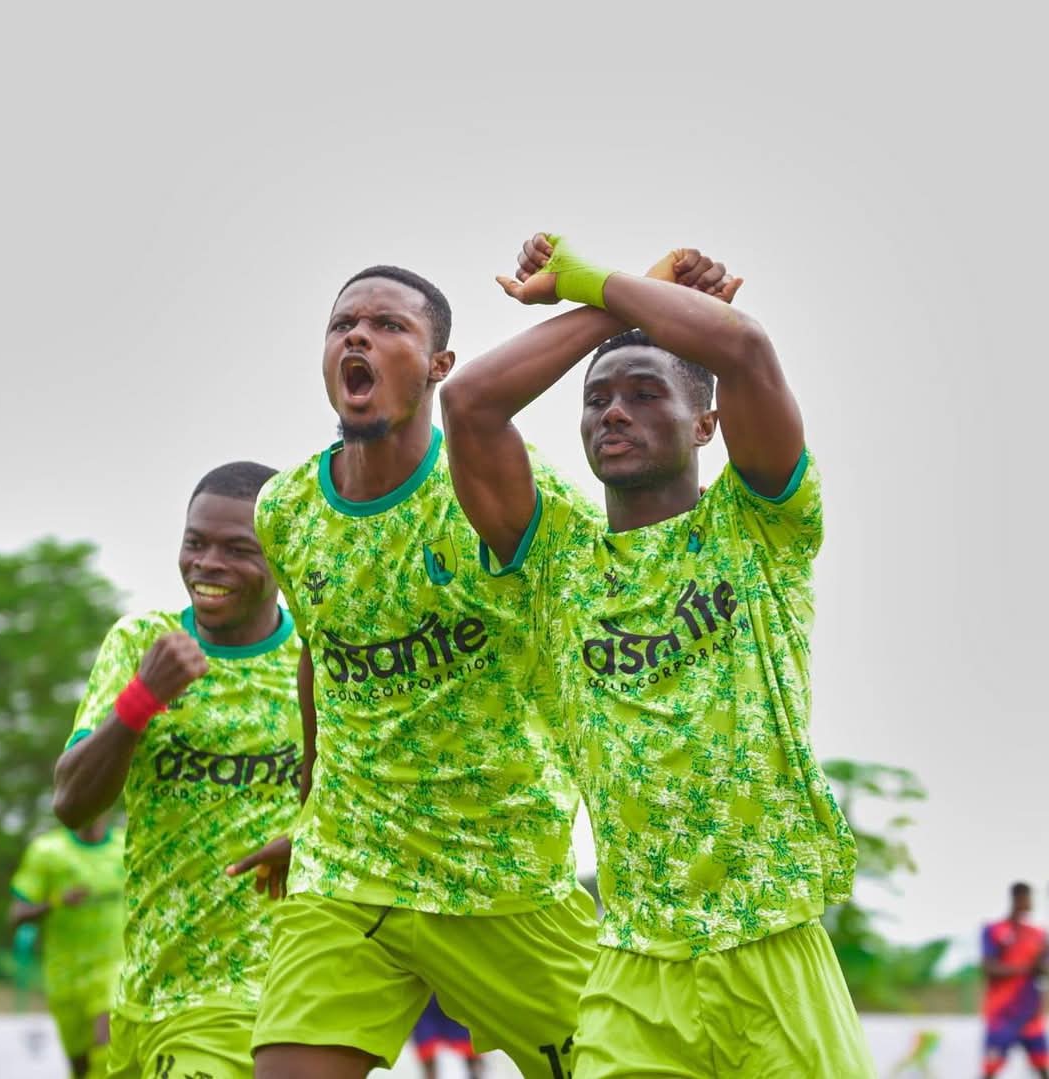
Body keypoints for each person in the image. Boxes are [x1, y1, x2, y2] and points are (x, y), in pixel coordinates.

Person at [439, 233, 875, 1076]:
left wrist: (588, 278)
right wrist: (619, 298)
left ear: (706, 422)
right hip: (633, 966)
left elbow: (745, 350)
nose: (614, 412)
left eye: (646, 393)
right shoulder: (555, 563)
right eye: (597, 398)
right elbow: (470, 404)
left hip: (772, 948)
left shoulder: (759, 524)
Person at [233, 264, 608, 1079]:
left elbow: (618, 608)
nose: (358, 336)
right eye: (343, 325)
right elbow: (321, 653)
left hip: (500, 878)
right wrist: (308, 812)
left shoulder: (504, 488)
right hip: (347, 874)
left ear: (441, 365)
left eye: (389, 325)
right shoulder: (287, 510)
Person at [52, 461, 303, 1079]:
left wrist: (308, 836)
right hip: (142, 994)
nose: (207, 564)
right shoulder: (141, 643)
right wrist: (142, 699)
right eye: (195, 543)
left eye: (237, 549)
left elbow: (364, 797)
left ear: (283, 557)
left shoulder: (317, 659)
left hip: (251, 995)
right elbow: (73, 805)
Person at [9, 816, 125, 1078]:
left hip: (113, 965)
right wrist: (57, 901)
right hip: (64, 974)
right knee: (80, 1063)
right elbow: (16, 915)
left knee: (108, 1040)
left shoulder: (126, 846)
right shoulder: (46, 851)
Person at [982, 882, 1048, 1078]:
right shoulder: (994, 930)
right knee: (990, 1070)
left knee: (1042, 1069)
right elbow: (989, 968)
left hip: (1030, 1015)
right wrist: (1027, 968)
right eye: (1028, 898)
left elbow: (1043, 971)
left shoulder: (1038, 934)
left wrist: (1041, 962)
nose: (1031, 903)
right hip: (1002, 1015)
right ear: (1017, 899)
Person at [410, 995, 484, 1079]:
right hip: (426, 1002)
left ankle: (476, 1072)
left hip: (455, 1000)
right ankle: (430, 1075)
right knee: (425, 1043)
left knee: (471, 1044)